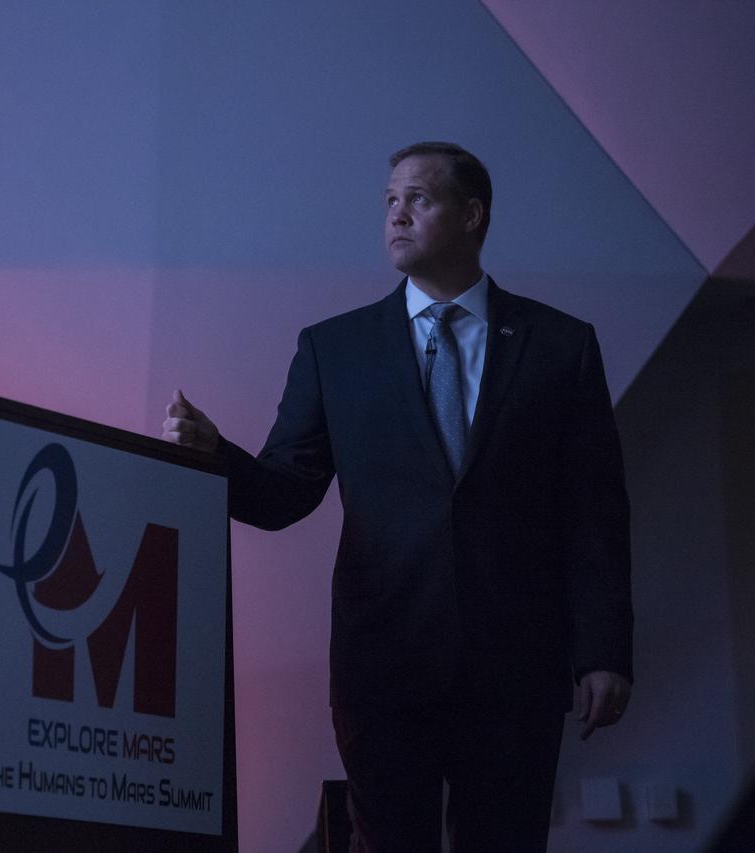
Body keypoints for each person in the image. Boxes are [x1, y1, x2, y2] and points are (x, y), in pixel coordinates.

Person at [162, 142, 633, 852]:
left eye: (418, 198)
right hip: (384, 662)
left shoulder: (560, 345)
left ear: (472, 216)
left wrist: (603, 649)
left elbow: (594, 513)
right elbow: (284, 490)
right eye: (389, 201)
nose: (396, 215)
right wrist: (212, 455)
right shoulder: (335, 348)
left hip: (516, 667)